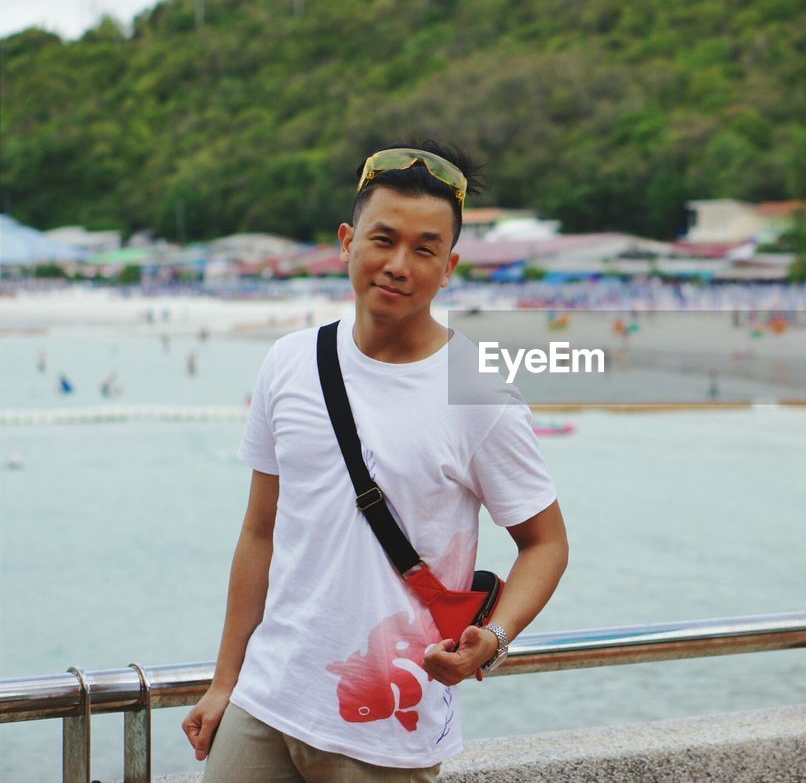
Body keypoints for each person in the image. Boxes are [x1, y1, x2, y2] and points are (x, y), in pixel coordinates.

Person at [182, 141, 569, 781]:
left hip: (389, 722)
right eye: (383, 239)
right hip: (266, 699)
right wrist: (226, 681)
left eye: (424, 249)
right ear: (347, 242)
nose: (398, 264)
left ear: (449, 267)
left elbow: (546, 542)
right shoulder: (289, 361)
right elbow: (260, 530)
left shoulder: (477, 390)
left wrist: (492, 642)